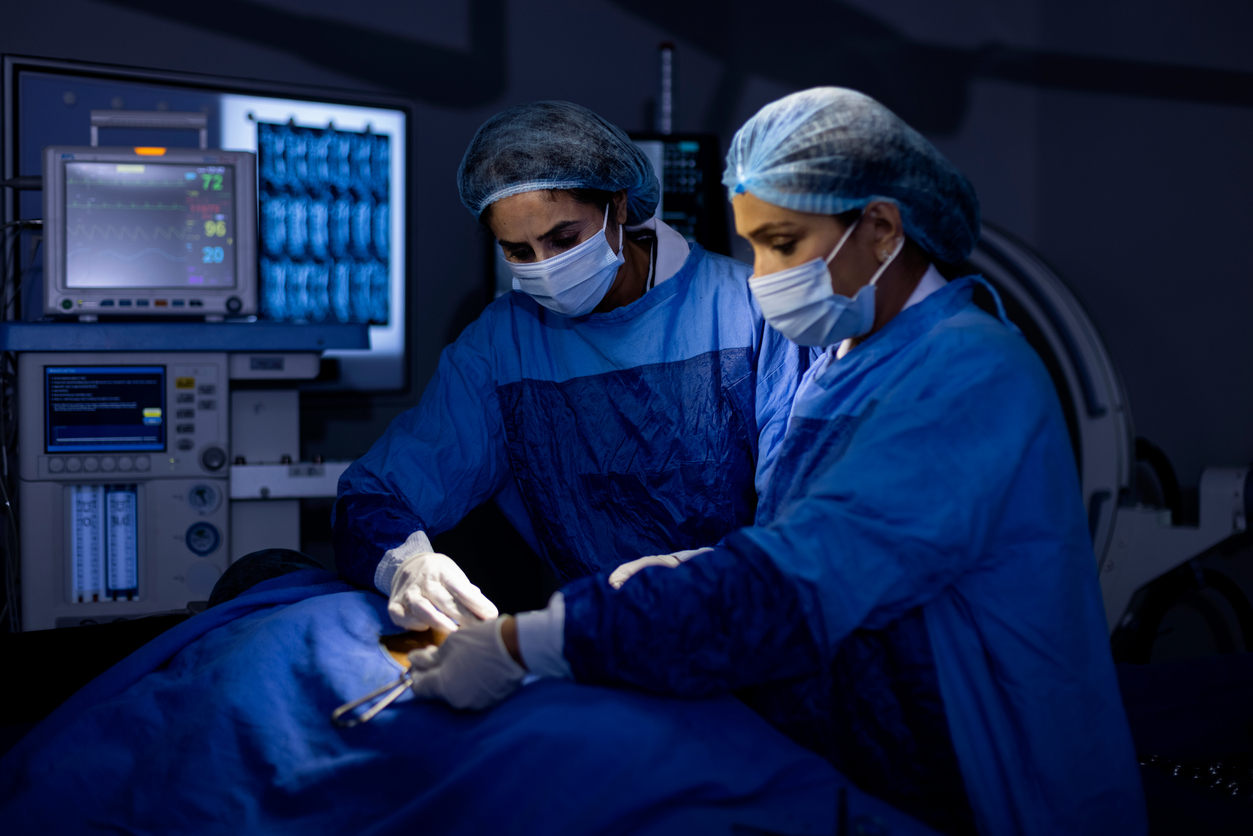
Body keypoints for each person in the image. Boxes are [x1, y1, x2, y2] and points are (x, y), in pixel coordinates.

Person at [403, 88, 1147, 836]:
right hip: (872, 763)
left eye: (782, 244)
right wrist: (687, 576)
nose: (759, 278)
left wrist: (523, 643)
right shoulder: (850, 365)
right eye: (752, 245)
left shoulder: (967, 375)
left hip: (1001, 785)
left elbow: (796, 586)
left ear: (881, 227)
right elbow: (801, 540)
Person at [333, 101, 806, 634]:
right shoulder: (501, 344)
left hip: (766, 636)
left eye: (562, 239)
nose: (546, 268)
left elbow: (815, 513)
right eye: (518, 250)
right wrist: (409, 566)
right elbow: (375, 495)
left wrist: (703, 574)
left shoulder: (754, 315)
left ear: (619, 206)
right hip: (607, 654)